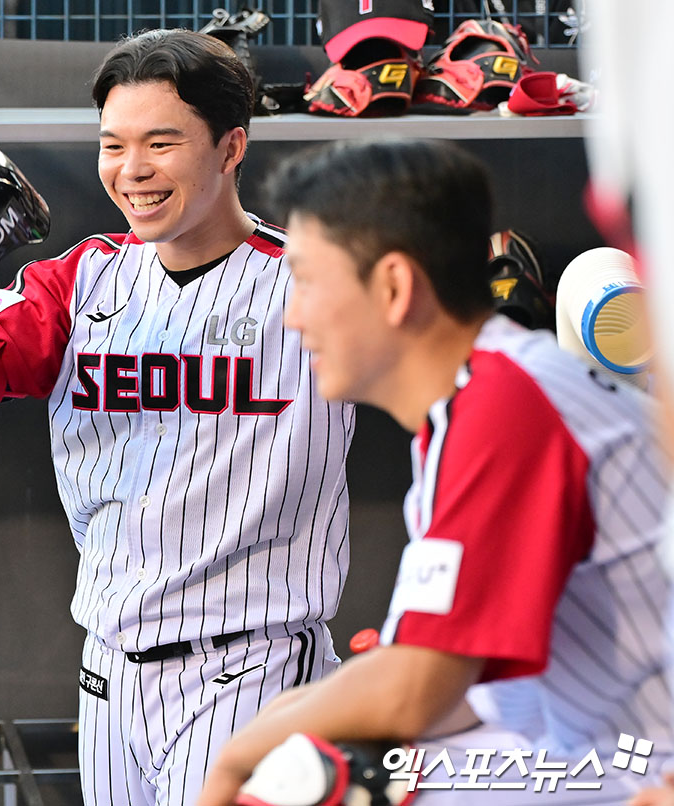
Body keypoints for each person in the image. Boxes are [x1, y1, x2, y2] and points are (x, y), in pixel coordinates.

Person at [0, 29, 354, 806]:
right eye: (112, 145)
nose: (133, 170)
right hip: (110, 671)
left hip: (255, 664)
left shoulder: (316, 284)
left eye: (161, 143)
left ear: (230, 149)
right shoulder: (82, 281)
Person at [196, 138, 672, 806]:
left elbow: (417, 691)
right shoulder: (489, 390)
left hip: (647, 766)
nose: (292, 315)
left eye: (305, 282)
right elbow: (451, 691)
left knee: (300, 786)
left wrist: (238, 756)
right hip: (602, 747)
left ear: (394, 287)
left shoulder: (506, 402)